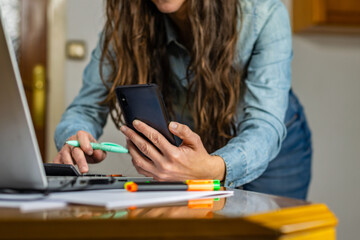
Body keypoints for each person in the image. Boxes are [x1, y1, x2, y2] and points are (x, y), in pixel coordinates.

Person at [54, 0, 312, 200]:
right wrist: (75, 138)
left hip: (274, 152)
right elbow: (85, 107)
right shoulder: (127, 22)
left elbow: (264, 125)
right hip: (191, 154)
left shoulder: (264, 14)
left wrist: (215, 168)